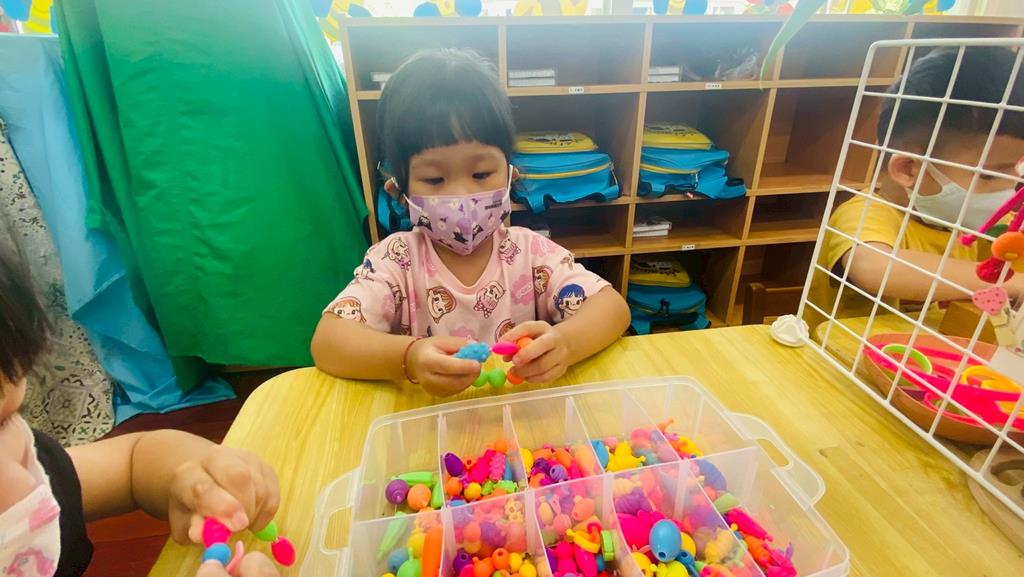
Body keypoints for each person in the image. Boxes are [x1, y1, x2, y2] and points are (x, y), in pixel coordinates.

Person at [311, 49, 631, 395]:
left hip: (520, 416)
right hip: (430, 417)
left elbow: (612, 308)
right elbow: (328, 342)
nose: (461, 195)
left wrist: (565, 343)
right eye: (435, 179)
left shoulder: (531, 253)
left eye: (481, 173)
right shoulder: (395, 262)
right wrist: (409, 358)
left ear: (510, 177)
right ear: (399, 193)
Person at [0, 245, 281, 576]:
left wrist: (198, 477)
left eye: (9, 419)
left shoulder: (24, 463)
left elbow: (132, 462)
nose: (23, 480)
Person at [808, 46, 1024, 325]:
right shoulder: (866, 213)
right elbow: (873, 268)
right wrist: (1007, 281)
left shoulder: (988, 225)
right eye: (987, 176)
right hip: (844, 347)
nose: (1008, 191)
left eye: (1016, 173)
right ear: (908, 168)